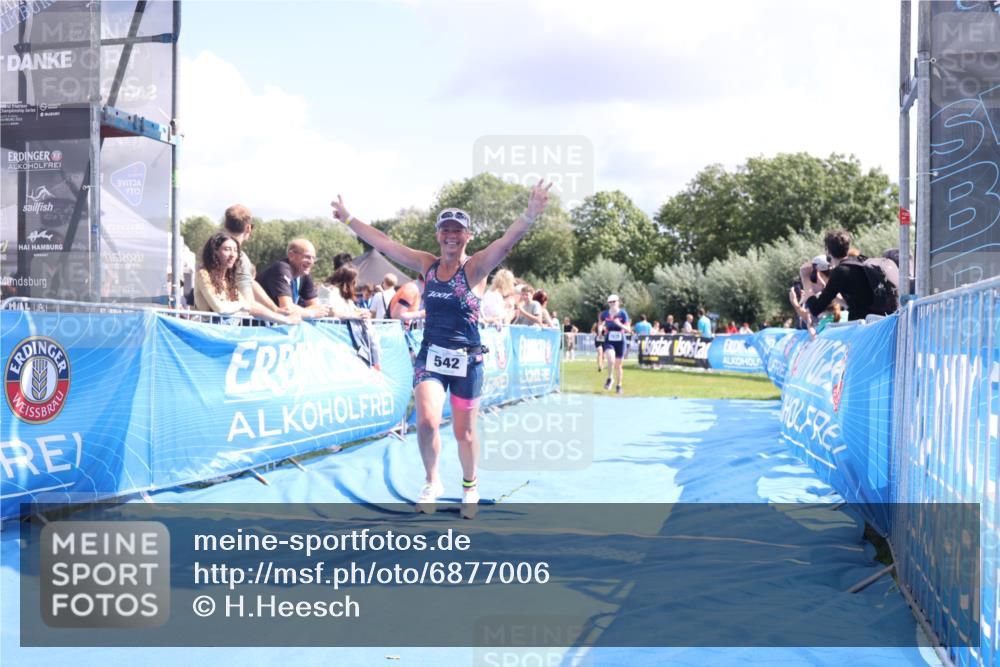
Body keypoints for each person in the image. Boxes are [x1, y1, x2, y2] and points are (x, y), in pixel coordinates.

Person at [331, 180, 551, 518]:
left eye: (458, 230)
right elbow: (385, 243)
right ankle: (432, 481)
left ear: (468, 236)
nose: (451, 235)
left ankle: (470, 485)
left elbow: (505, 244)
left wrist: (530, 214)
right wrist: (348, 218)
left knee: (465, 432)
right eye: (445, 230)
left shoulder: (475, 267)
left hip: (468, 361)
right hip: (431, 357)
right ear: (437, 235)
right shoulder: (427, 265)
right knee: (427, 421)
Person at [194, 233, 301, 325]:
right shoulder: (203, 274)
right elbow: (220, 308)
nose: (233, 255)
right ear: (215, 252)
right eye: (227, 249)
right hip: (210, 334)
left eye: (235, 250)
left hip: (228, 333)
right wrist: (242, 305)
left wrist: (281, 315)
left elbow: (252, 307)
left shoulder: (229, 279)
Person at [795, 229, 893, 323]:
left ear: (828, 251)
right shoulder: (861, 261)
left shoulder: (841, 271)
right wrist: (830, 293)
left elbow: (816, 309)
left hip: (864, 327)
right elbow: (856, 303)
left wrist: (805, 278)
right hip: (882, 321)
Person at [221, 204, 285, 315]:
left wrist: (275, 309)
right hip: (226, 321)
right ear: (248, 228)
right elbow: (249, 303)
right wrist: (282, 317)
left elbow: (250, 282)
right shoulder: (239, 258)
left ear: (225, 226)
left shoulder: (211, 250)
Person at [256, 238, 329, 318]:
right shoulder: (281, 268)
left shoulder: (304, 272)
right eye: (307, 257)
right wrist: (311, 313)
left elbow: (316, 306)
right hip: (258, 323)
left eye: (313, 258)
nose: (311, 262)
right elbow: (287, 308)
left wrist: (307, 311)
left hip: (278, 322)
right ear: (291, 255)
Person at [598, 294, 630, 394]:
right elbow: (600, 324)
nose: (612, 303)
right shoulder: (604, 314)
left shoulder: (623, 314)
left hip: (620, 340)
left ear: (618, 302)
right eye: (610, 302)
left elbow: (628, 329)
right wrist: (600, 331)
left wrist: (619, 324)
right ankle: (610, 378)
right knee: (610, 359)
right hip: (609, 339)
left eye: (614, 301)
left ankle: (619, 385)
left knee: (618, 365)